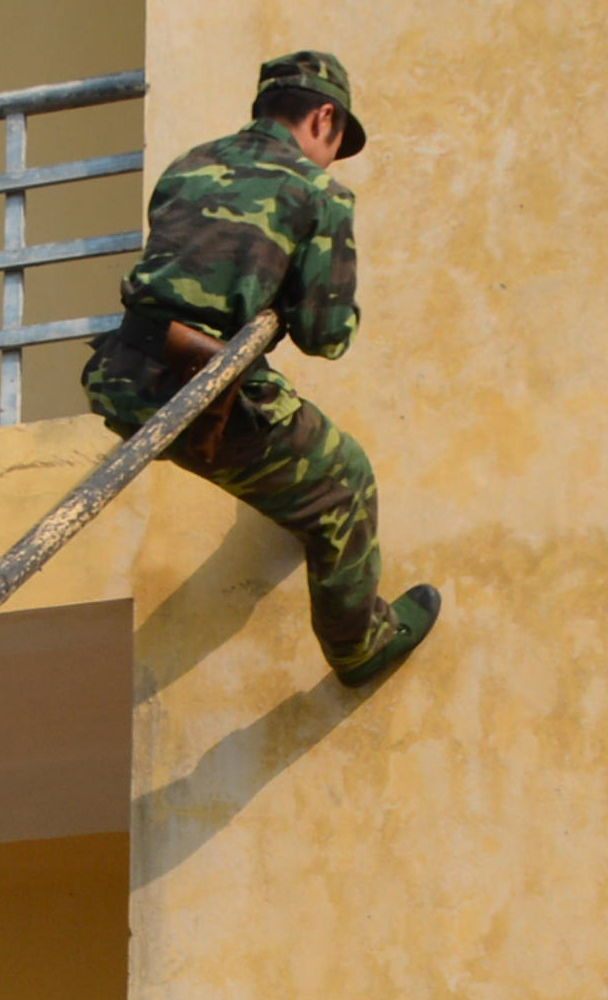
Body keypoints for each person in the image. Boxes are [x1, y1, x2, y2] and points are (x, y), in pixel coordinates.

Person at [81, 47, 442, 689]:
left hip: (122, 376)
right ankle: (360, 647)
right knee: (345, 482)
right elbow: (325, 336)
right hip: (200, 389)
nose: (333, 155)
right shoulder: (317, 191)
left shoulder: (187, 167)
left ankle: (284, 493)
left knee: (284, 455)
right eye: (338, 140)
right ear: (323, 117)